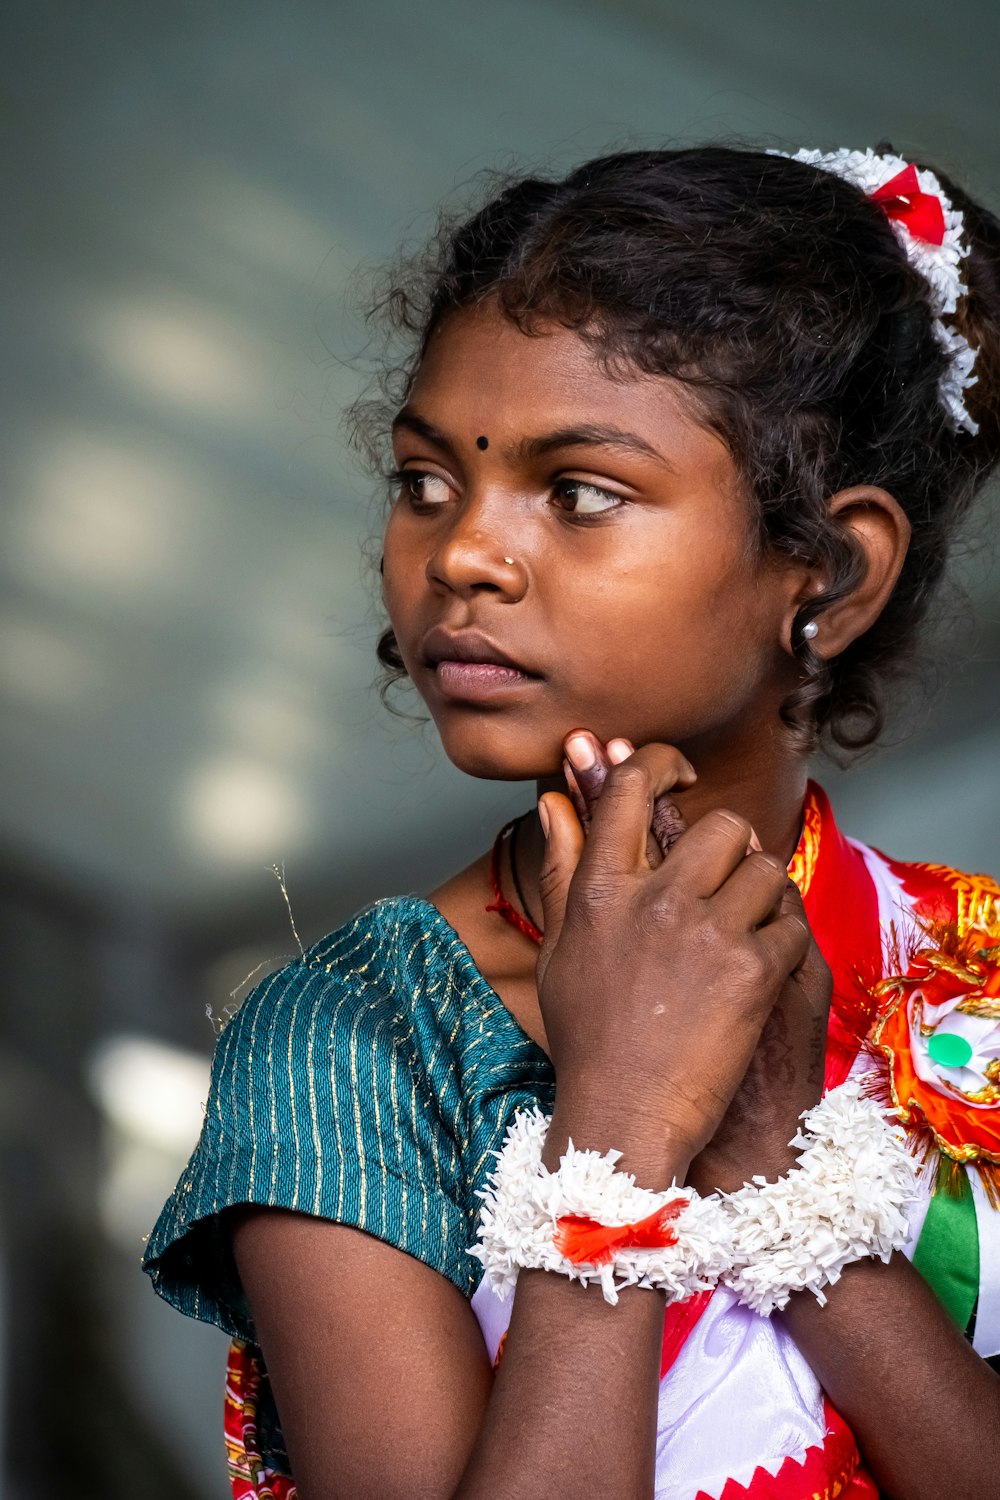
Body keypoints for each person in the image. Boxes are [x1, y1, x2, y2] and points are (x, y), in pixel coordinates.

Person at [144, 144, 1000, 1500]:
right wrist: (621, 1128)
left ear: (832, 575)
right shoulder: (360, 1037)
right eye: (427, 481)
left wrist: (778, 1165)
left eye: (578, 492)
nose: (463, 554)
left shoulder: (974, 971)